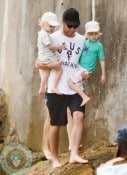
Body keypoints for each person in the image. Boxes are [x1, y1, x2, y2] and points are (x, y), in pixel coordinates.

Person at [35, 8, 88, 168]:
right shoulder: (51, 37)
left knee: (78, 117)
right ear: (62, 23)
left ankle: (73, 154)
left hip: (75, 86)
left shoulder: (81, 40)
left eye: (75, 27)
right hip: (56, 87)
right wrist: (50, 66)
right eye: (69, 26)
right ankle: (54, 156)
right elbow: (37, 63)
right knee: (55, 122)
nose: (72, 29)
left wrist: (86, 73)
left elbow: (84, 62)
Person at [68, 20, 106, 106]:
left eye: (95, 33)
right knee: (77, 85)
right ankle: (77, 103)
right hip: (79, 68)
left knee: (70, 83)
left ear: (98, 33)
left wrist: (103, 74)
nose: (94, 36)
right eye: (91, 34)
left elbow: (102, 59)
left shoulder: (99, 45)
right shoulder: (84, 42)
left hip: (86, 70)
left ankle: (84, 97)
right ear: (87, 34)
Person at [37, 12, 66, 97]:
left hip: (43, 57)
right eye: (51, 26)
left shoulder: (41, 33)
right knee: (59, 69)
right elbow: (50, 47)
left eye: (53, 27)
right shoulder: (45, 35)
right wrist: (59, 47)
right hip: (48, 58)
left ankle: (42, 88)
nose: (52, 28)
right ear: (43, 24)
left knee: (46, 72)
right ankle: (54, 87)